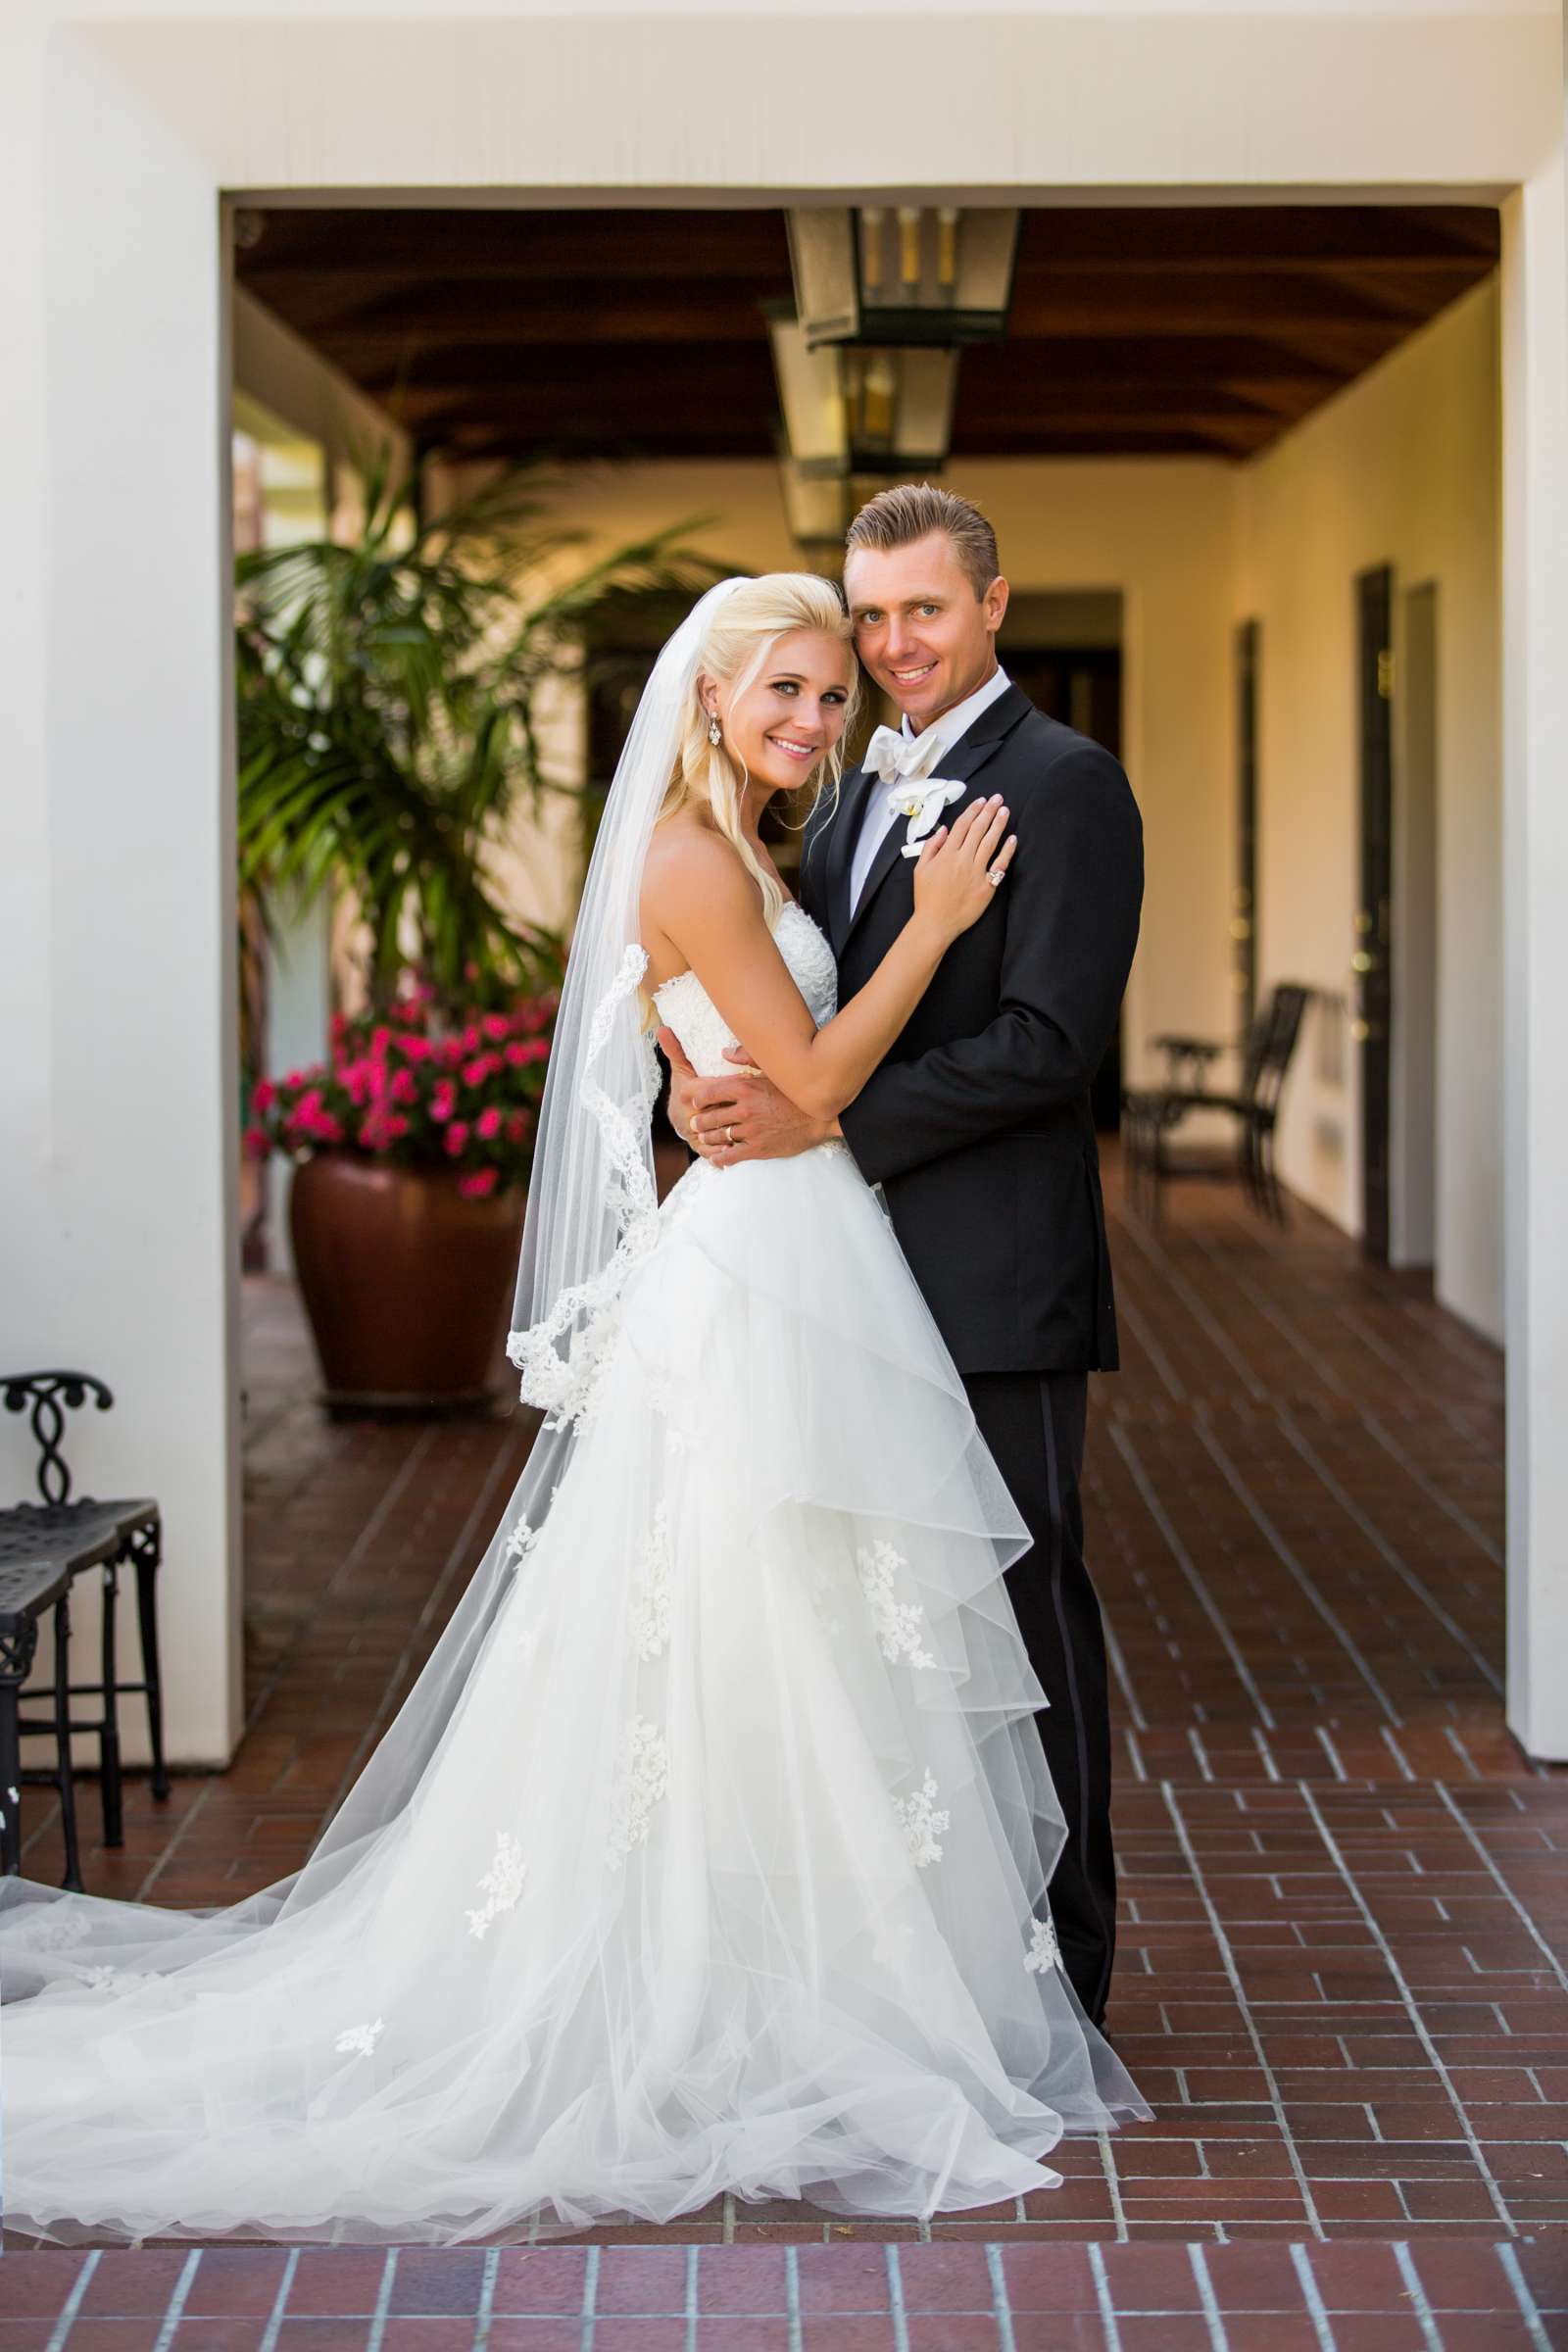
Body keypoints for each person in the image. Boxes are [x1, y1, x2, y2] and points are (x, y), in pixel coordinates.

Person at [0, 573, 1145, 2249]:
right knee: (749, 1628)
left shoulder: (762, 843)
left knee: (799, 1639)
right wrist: (934, 933)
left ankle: (807, 1972)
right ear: (708, 698)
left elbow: (768, 1064)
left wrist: (728, 1074)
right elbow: (815, 1089)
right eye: (790, 691)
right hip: (767, 1265)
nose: (818, 722)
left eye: (833, 695)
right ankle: (732, 1990)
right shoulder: (698, 855)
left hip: (800, 1254)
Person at [664, 492, 1144, 2028]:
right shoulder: (850, 787)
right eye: (870, 620)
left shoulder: (1068, 785)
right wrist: (702, 1080)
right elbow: (769, 989)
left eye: (921, 612)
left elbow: (1050, 1045)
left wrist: (824, 1130)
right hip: (841, 1281)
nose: (890, 647)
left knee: (1022, 1595)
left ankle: (1064, 1963)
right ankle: (931, 1955)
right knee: (882, 1617)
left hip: (996, 1271)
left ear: (994, 605)